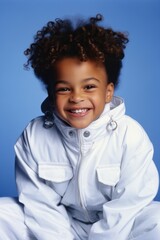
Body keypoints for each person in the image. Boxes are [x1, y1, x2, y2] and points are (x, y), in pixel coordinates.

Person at [0, 14, 160, 240]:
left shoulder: (130, 135)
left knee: (158, 220)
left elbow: (129, 204)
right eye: (64, 89)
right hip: (61, 225)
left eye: (89, 87)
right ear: (51, 94)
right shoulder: (34, 136)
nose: (76, 97)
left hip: (120, 229)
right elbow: (40, 204)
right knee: (3, 213)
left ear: (108, 92)